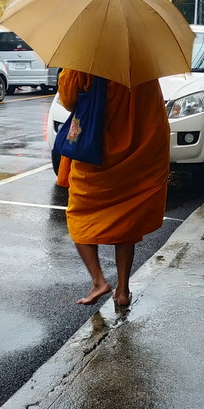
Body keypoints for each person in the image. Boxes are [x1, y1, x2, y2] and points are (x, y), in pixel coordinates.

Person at [56, 69, 170, 307]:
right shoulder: (142, 68)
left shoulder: (86, 64)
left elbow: (68, 100)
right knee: (126, 224)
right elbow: (154, 115)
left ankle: (99, 281)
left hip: (95, 156)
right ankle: (123, 290)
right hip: (135, 156)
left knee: (78, 216)